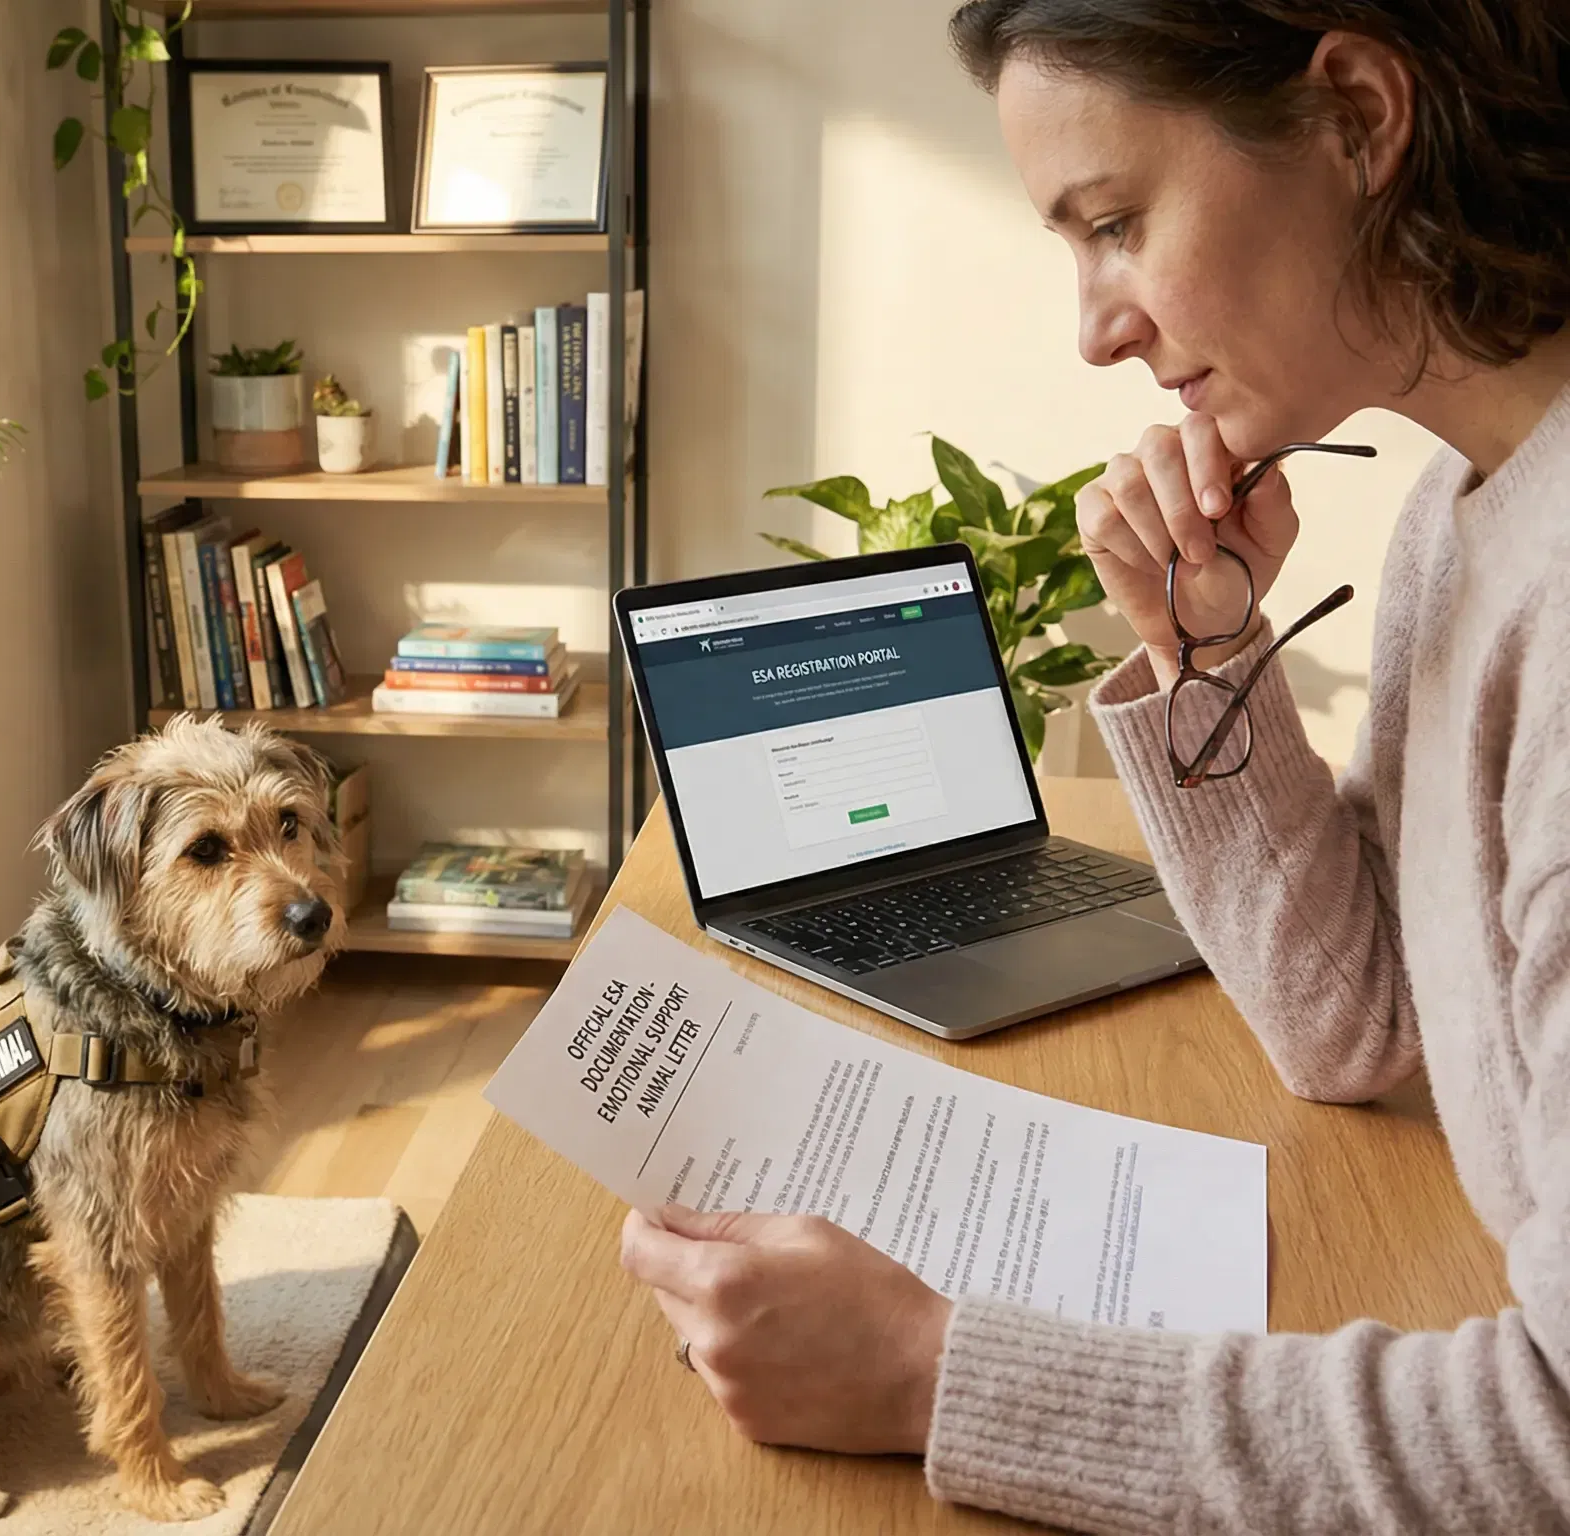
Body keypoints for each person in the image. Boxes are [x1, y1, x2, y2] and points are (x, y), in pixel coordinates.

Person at [618, 3, 1570, 1531]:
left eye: (1116, 223)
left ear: (1360, 119)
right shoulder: (1458, 524)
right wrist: (1202, 653)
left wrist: (933, 1374)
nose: (1096, 327)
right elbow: (1364, 1024)